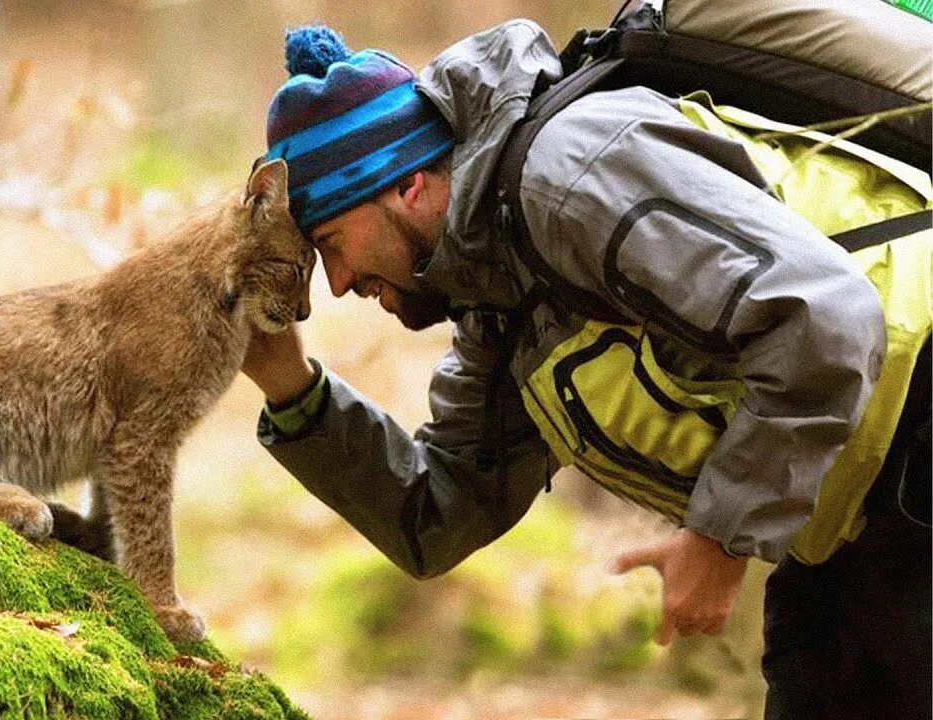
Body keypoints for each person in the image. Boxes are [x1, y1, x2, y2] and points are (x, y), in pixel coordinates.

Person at [240, 22, 932, 720]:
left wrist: (721, 537)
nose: (335, 283)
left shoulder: (568, 176)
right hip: (854, 511)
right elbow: (444, 511)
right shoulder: (499, 299)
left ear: (407, 185)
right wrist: (295, 393)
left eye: (331, 242)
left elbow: (823, 316)